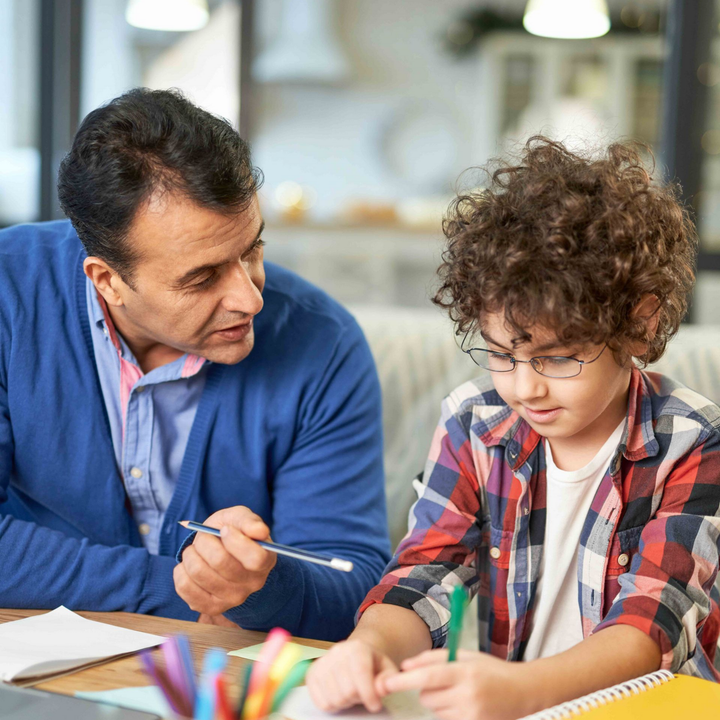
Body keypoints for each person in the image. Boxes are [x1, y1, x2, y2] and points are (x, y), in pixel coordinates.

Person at [306, 137, 720, 718]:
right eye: (502, 354)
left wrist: (520, 690)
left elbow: (653, 622)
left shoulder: (694, 441)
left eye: (556, 357)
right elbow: (426, 573)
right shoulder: (476, 423)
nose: (524, 387)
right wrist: (368, 649)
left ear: (639, 324)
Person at [0, 88, 390, 641]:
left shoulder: (323, 343)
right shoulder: (8, 295)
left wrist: (261, 589)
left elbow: (355, 582)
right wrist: (176, 587)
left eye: (252, 250)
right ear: (106, 281)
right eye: (202, 277)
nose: (250, 299)